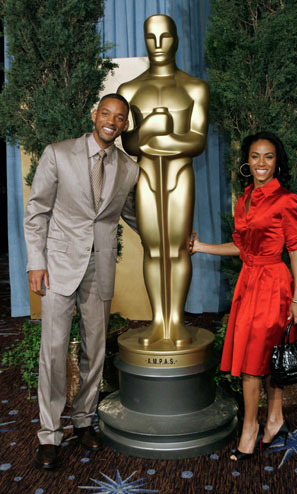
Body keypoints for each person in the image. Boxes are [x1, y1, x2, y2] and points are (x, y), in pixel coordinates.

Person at [24, 93, 139, 470]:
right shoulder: (58, 153)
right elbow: (37, 211)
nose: (112, 121)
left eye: (119, 117)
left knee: (95, 349)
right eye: (106, 113)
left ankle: (84, 420)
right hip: (57, 266)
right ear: (95, 115)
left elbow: (133, 216)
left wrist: (171, 238)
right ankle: (49, 435)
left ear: (125, 125)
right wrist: (35, 264)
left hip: (101, 266)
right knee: (54, 352)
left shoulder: (129, 167)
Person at [190, 131, 297, 461]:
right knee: (264, 356)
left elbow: (296, 249)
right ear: (247, 161)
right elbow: (241, 248)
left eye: (268, 156)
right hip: (249, 283)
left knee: (260, 360)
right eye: (255, 156)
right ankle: (275, 419)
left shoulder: (286, 199)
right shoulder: (244, 199)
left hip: (275, 285)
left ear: (277, 162)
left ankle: (251, 428)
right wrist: (200, 247)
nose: (261, 163)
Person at [118, 14, 209, 347]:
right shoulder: (130, 89)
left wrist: (158, 136)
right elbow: (129, 144)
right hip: (146, 177)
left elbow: (197, 141)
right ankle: (159, 320)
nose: (158, 45)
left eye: (165, 37)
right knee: (153, 249)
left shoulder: (194, 87)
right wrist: (152, 131)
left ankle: (176, 322)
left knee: (177, 249)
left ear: (176, 39)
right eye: (151, 38)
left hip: (179, 176)